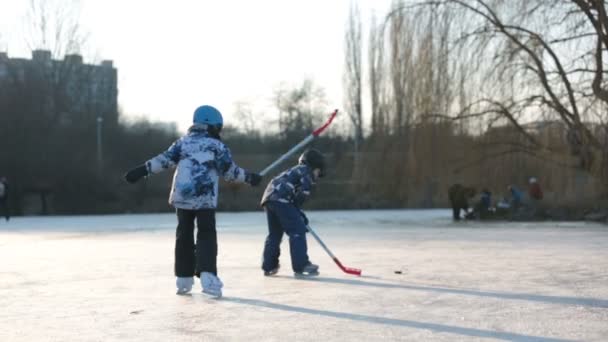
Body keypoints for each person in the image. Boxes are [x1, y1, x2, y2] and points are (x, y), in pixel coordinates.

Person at [124, 105, 262, 297]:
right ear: (213, 126)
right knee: (206, 233)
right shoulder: (217, 146)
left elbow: (163, 160)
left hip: (182, 196)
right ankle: (208, 277)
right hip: (204, 196)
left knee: (184, 234)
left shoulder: (182, 143)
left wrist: (142, 170)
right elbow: (230, 172)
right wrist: (249, 178)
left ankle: (183, 278)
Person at [260, 148, 325, 277]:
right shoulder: (307, 172)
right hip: (282, 200)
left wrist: (298, 213)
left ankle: (269, 266)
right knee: (297, 230)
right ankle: (301, 265)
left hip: (269, 199)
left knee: (275, 234)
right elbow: (301, 195)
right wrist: (298, 214)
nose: (318, 175)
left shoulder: (295, 170)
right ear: (314, 166)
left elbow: (293, 201)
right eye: (318, 171)